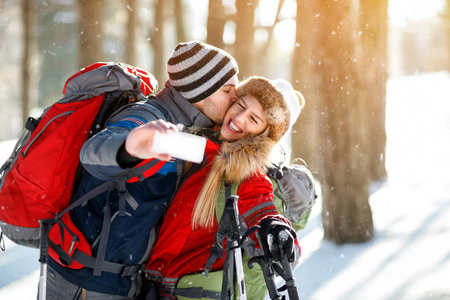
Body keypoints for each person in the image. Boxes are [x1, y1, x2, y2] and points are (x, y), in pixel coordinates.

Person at [42, 41, 239, 300]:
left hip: (125, 280)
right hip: (89, 279)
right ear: (199, 90)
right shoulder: (147, 117)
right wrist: (129, 148)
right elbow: (94, 150)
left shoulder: (192, 128)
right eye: (227, 90)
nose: (235, 97)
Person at [144, 76, 305, 299]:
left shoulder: (246, 172)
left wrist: (275, 228)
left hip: (185, 292)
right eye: (241, 106)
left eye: (254, 118)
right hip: (149, 284)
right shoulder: (198, 140)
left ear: (263, 134)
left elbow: (263, 209)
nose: (239, 118)